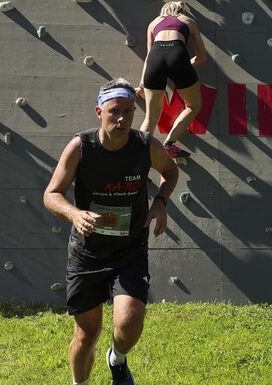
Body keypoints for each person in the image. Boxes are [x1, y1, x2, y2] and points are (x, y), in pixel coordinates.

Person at [43, 79, 179, 385]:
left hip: (129, 250)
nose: (122, 119)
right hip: (88, 252)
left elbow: (170, 171)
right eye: (114, 111)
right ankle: (81, 383)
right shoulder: (81, 146)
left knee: (129, 322)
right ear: (99, 111)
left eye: (128, 112)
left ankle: (117, 358)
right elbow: (52, 194)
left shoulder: (146, 146)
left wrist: (160, 202)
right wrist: (74, 213)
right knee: (86, 334)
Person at [137, 1, 207, 159]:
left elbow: (149, 58)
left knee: (151, 117)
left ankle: (137, 156)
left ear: (163, 10)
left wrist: (142, 84)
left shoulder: (153, 23)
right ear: (181, 11)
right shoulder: (188, 21)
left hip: (156, 58)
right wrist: (183, 66)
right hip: (178, 55)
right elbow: (202, 57)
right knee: (193, 106)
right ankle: (168, 143)